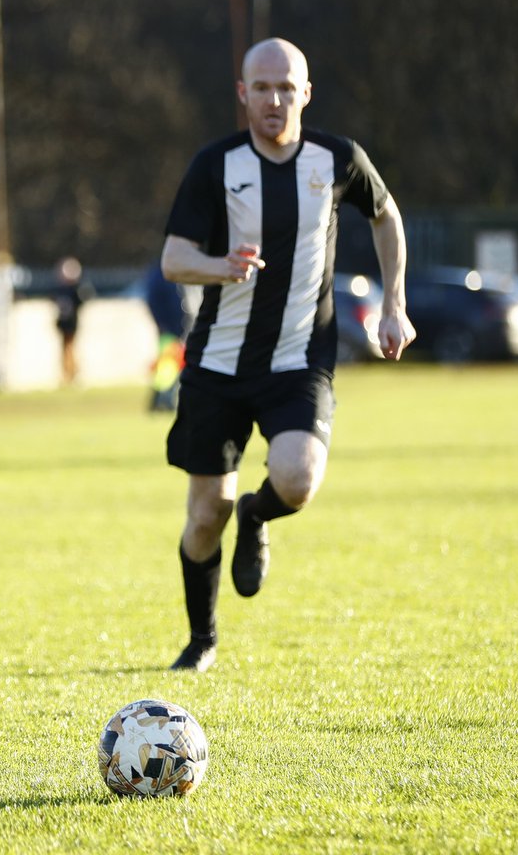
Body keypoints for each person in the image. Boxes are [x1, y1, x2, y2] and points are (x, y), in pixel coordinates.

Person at [161, 38, 415, 672]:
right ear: (242, 94)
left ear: (305, 93)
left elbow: (386, 215)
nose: (274, 99)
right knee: (204, 516)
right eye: (261, 88)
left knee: (298, 479)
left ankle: (258, 513)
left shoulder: (338, 159)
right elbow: (173, 259)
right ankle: (201, 639)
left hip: (299, 360)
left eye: (285, 87)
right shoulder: (215, 164)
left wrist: (394, 304)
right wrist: (221, 266)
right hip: (218, 364)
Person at [142, 258, 190, 412]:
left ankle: (161, 400)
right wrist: (162, 324)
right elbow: (155, 303)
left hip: (176, 329)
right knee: (167, 368)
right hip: (168, 330)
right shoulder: (161, 276)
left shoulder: (171, 274)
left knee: (170, 366)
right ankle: (162, 401)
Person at [52, 256, 90, 385]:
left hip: (71, 323)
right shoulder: (62, 289)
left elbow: (81, 301)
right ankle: (68, 373)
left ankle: (72, 373)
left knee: (70, 348)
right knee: (66, 348)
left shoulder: (74, 289)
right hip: (64, 323)